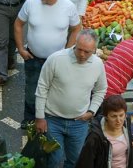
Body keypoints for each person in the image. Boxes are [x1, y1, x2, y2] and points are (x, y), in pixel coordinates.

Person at [14, 0, 81, 128]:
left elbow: (77, 28)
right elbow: (18, 25)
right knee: (32, 90)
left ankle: (50, 121)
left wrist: (67, 50)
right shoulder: (31, 3)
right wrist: (21, 49)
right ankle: (30, 119)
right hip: (33, 57)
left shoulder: (68, 7)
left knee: (55, 91)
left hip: (57, 60)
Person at [35, 30, 107, 168]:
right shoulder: (56, 59)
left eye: (87, 52)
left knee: (75, 161)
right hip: (53, 120)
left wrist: (91, 111)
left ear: (94, 50)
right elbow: (42, 87)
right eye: (79, 49)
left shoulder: (98, 65)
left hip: (79, 123)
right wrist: (40, 117)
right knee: (54, 160)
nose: (82, 54)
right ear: (75, 44)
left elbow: (100, 90)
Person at [76, 95, 133, 168]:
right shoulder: (95, 136)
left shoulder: (126, 125)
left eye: (121, 115)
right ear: (106, 116)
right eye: (114, 116)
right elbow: (85, 163)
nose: (118, 120)